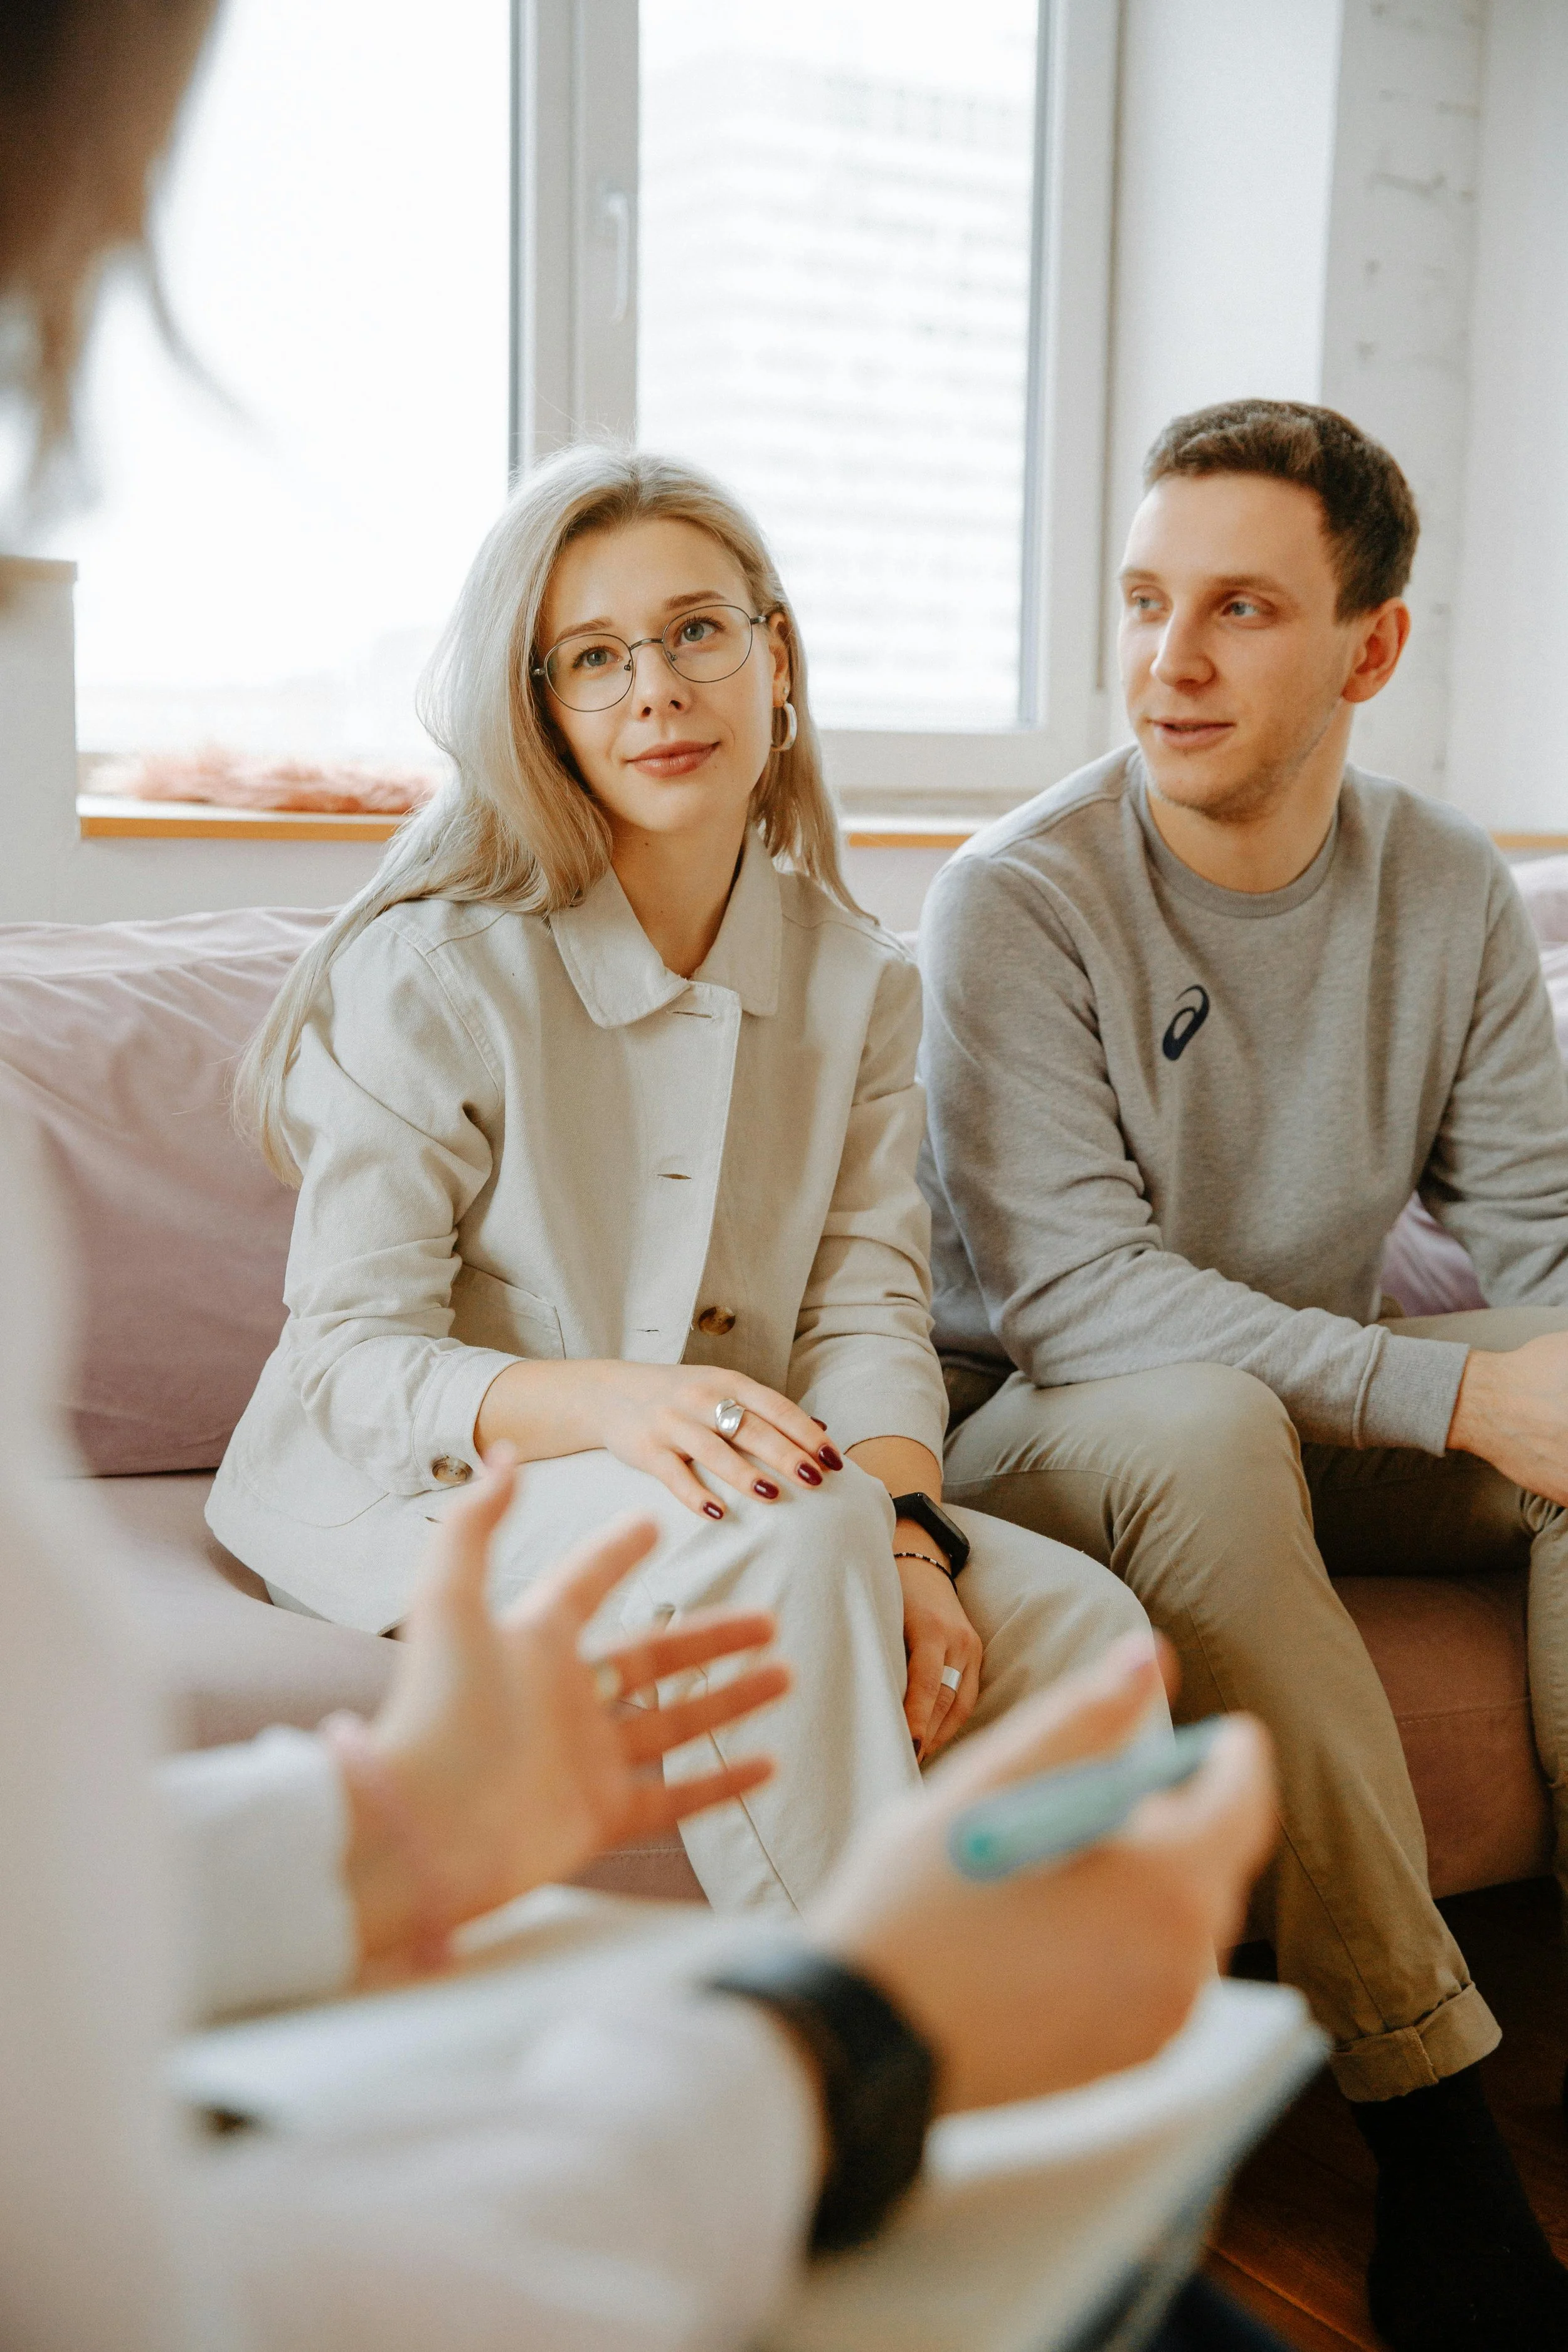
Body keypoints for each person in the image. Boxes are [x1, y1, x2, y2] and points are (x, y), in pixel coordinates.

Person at [203, 440, 1155, 1915]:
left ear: (774, 657)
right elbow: (348, 1357)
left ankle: (1088, 2116)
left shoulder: (859, 978)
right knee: (789, 1528)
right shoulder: (433, 970)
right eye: (591, 657)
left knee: (1081, 1627)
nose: (653, 689)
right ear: (545, 716)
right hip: (422, 1490)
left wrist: (910, 1537)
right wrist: (616, 1403)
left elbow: (863, 1311)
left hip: (742, 1495)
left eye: (695, 631)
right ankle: (858, 2084)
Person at [918, 396, 1568, 2352]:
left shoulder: (1446, 886)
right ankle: (1429, 2123)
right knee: (1213, 1416)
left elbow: (1541, 1248)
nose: (1165, 660)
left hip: (1285, 1405)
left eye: (1237, 609)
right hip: (1037, 1420)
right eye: (1138, 600)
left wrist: (1526, 1383)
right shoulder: (1014, 896)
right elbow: (1084, 1305)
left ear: (1369, 646)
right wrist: (1459, 1395)